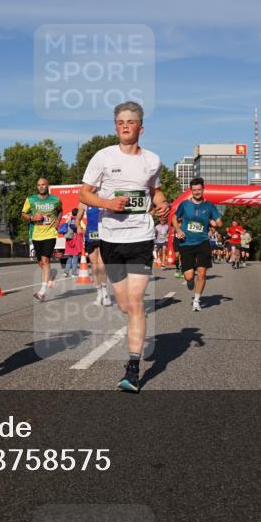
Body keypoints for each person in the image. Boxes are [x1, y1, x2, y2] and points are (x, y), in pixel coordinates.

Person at [80, 101, 169, 393]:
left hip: (141, 238)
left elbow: (154, 190)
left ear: (140, 128)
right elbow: (84, 193)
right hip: (111, 240)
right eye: (120, 122)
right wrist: (107, 203)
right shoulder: (103, 157)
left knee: (136, 302)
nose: (125, 126)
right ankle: (132, 346)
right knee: (123, 304)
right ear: (116, 126)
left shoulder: (152, 160)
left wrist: (163, 204)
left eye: (131, 122)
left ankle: (132, 367)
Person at [172, 177, 221, 311]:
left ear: (203, 189)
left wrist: (214, 222)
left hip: (203, 242)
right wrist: (177, 229)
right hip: (186, 243)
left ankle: (197, 300)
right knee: (189, 276)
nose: (197, 192)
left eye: (199, 189)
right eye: (194, 190)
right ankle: (189, 280)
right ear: (191, 190)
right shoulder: (184, 204)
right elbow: (174, 217)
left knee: (202, 273)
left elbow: (219, 222)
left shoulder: (209, 205)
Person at [23, 178, 62, 301]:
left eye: (43, 184)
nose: (41, 187)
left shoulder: (55, 200)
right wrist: (32, 218)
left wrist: (58, 220)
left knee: (45, 260)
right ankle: (51, 274)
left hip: (50, 234)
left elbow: (60, 210)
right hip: (36, 235)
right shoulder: (31, 199)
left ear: (47, 185)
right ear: (37, 186)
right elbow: (23, 213)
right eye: (39, 185)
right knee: (41, 262)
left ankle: (42, 291)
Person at [76, 203, 112, 305]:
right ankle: (99, 293)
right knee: (94, 265)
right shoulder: (84, 203)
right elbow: (77, 219)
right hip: (90, 235)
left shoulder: (104, 197)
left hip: (104, 234)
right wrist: (79, 227)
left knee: (102, 265)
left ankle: (105, 294)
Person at [61, 208, 84, 277]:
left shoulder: (69, 219)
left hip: (69, 240)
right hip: (75, 240)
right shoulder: (76, 221)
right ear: (78, 214)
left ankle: (66, 272)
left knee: (70, 257)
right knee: (75, 257)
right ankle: (74, 273)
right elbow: (78, 230)